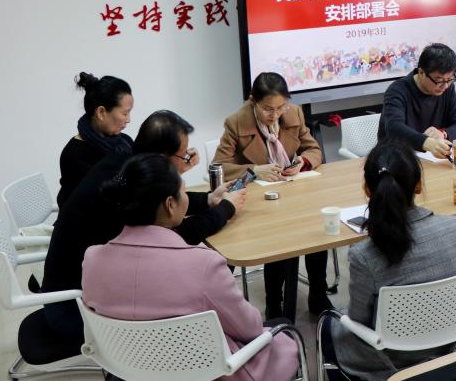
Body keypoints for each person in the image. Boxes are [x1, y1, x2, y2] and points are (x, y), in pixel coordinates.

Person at [82, 154, 297, 381]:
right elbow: (250, 329)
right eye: (184, 191)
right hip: (209, 373)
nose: (186, 197)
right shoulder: (202, 265)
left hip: (128, 371)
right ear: (170, 205)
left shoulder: (93, 260)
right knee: (283, 330)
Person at [41, 110, 245, 342]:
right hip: (77, 306)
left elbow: (168, 208)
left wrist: (209, 200)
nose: (186, 160)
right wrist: (224, 209)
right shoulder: (121, 185)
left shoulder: (126, 167)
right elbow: (172, 238)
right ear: (162, 156)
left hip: (90, 290)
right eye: (182, 155)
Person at [322, 140, 456, 381]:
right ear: (418, 186)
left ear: (368, 189)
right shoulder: (453, 227)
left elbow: (357, 320)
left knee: (329, 321)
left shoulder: (363, 255)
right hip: (448, 346)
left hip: (392, 361)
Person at [214, 71, 327, 318]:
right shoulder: (236, 122)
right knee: (278, 240)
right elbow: (219, 166)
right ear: (253, 101)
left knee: (317, 229)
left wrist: (303, 162)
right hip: (258, 201)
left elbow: (313, 149)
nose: (275, 115)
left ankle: (319, 293)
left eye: (280, 107)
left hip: (293, 192)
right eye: (267, 109)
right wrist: (254, 170)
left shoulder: (294, 113)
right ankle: (274, 303)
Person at [378, 43, 456, 159]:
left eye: (450, 79)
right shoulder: (397, 90)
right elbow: (394, 128)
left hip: (433, 160)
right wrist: (427, 142)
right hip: (398, 159)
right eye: (439, 80)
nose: (445, 86)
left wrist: (443, 133)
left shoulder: (447, 88)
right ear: (421, 72)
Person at [57, 72, 133, 208]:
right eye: (125, 113)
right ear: (101, 112)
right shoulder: (74, 155)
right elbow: (97, 205)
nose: (128, 120)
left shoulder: (124, 141)